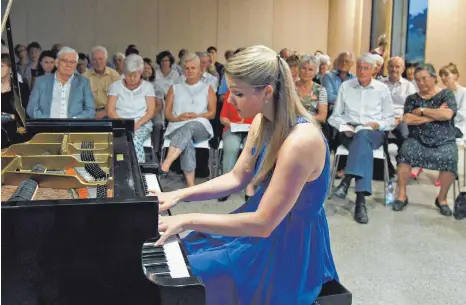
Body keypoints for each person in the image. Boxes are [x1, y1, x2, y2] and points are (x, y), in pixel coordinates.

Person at [150, 45, 338, 305]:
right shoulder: (263, 121)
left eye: (237, 93)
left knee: (188, 271)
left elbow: (263, 224)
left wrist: (186, 220)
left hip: (286, 246)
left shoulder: (301, 142)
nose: (228, 100)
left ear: (267, 92)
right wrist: (177, 194)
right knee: (186, 250)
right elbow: (237, 178)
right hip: (263, 225)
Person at [328, 53, 394, 224]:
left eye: (366, 68)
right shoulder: (346, 86)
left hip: (373, 132)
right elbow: (334, 117)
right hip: (349, 131)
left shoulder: (382, 89)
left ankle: (347, 180)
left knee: (363, 136)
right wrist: (345, 127)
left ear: (373, 70)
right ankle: (360, 203)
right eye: (359, 67)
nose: (362, 71)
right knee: (361, 143)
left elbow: (390, 120)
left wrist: (376, 125)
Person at [393, 64, 457, 217]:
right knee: (405, 153)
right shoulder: (412, 99)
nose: (420, 83)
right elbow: (407, 119)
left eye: (424, 79)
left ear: (434, 78)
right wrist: (435, 115)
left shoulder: (446, 94)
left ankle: (441, 199)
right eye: (417, 80)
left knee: (450, 158)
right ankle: (402, 195)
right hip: (417, 140)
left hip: (444, 140)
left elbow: (447, 115)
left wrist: (422, 112)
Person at [161, 53, 216, 187]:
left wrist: (197, 116)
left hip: (200, 126)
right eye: (187, 68)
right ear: (183, 70)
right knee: (187, 142)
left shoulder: (207, 88)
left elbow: (212, 113)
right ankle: (191, 185)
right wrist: (177, 118)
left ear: (199, 69)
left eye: (193, 68)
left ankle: (167, 161)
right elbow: (167, 113)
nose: (190, 71)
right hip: (177, 126)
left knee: (190, 127)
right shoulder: (174, 88)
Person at [107, 54, 159, 163]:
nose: (132, 79)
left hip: (142, 123)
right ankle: (119, 169)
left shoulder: (147, 87)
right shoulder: (115, 86)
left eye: (135, 75)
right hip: (119, 123)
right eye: (128, 75)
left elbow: (150, 112)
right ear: (124, 73)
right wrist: (124, 123)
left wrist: (137, 124)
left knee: (135, 140)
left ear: (140, 72)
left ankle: (138, 170)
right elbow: (110, 111)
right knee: (116, 142)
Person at [26, 47, 95, 119]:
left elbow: (90, 111)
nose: (68, 65)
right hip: (47, 128)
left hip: (74, 128)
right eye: (65, 61)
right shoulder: (41, 82)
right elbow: (31, 109)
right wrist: (48, 122)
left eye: (72, 62)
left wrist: (73, 121)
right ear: (57, 62)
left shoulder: (83, 82)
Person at [218, 90, 255, 202]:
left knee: (250, 150)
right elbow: (223, 118)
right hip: (232, 128)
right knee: (231, 148)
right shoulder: (230, 93)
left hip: (253, 128)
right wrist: (232, 125)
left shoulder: (257, 93)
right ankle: (226, 186)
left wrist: (252, 126)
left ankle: (249, 185)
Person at [84, 46, 121, 119]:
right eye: (94, 59)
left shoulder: (114, 75)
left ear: (106, 60)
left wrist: (105, 112)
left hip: (109, 112)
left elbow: (120, 99)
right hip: (89, 113)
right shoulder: (85, 76)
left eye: (101, 59)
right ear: (91, 61)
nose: (98, 62)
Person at [1, 54, 30, 147]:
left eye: (1, 66)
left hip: (15, 130)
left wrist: (12, 116)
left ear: (10, 69)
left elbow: (26, 112)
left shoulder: (22, 88)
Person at [295, 55, 328, 124]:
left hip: (312, 125)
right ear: (299, 69)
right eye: (304, 68)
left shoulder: (320, 90)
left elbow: (322, 117)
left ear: (315, 73)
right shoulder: (290, 88)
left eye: (310, 69)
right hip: (291, 124)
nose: (306, 72)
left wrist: (304, 119)